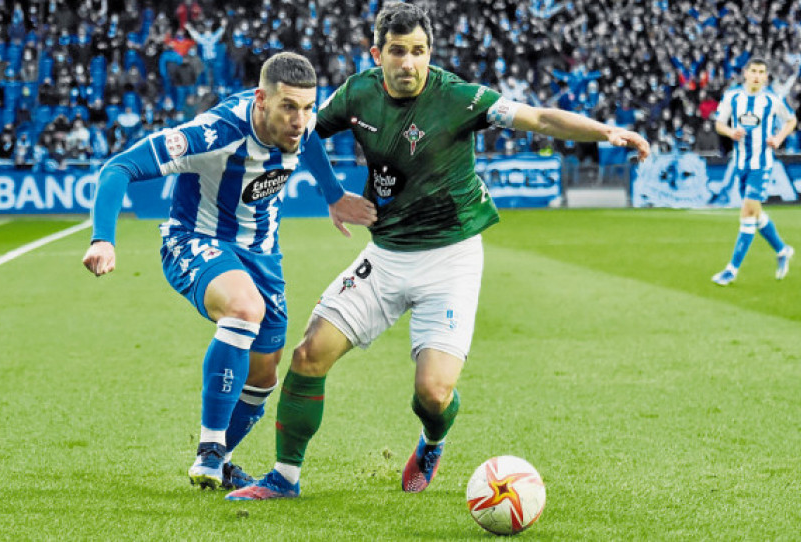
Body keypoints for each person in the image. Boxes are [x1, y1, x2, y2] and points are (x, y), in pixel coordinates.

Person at [226, 2, 650, 501]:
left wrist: (603, 131)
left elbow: (535, 116)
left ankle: (434, 438)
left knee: (432, 394)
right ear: (377, 54)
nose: (409, 63)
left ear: (431, 53)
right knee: (308, 353)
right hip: (385, 256)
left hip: (451, 260)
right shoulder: (357, 92)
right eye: (398, 52)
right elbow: (309, 132)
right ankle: (285, 478)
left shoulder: (458, 98)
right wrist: (333, 193)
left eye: (420, 52)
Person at [82, 52, 377, 490]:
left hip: (262, 254)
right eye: (289, 108)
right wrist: (103, 237)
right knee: (243, 308)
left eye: (308, 108)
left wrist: (333, 194)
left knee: (263, 374)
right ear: (261, 99)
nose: (300, 119)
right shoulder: (214, 133)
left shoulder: (302, 121)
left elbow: (310, 140)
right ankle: (210, 450)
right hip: (197, 240)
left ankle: (222, 461)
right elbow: (119, 168)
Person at [711, 58, 797, 286]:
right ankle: (782, 250)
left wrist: (778, 138)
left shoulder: (772, 99)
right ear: (745, 74)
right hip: (740, 164)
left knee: (748, 212)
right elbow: (719, 123)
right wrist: (730, 133)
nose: (758, 76)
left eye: (762, 72)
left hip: (762, 164)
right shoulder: (733, 97)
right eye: (754, 71)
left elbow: (791, 120)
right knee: (755, 214)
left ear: (766, 76)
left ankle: (731, 270)